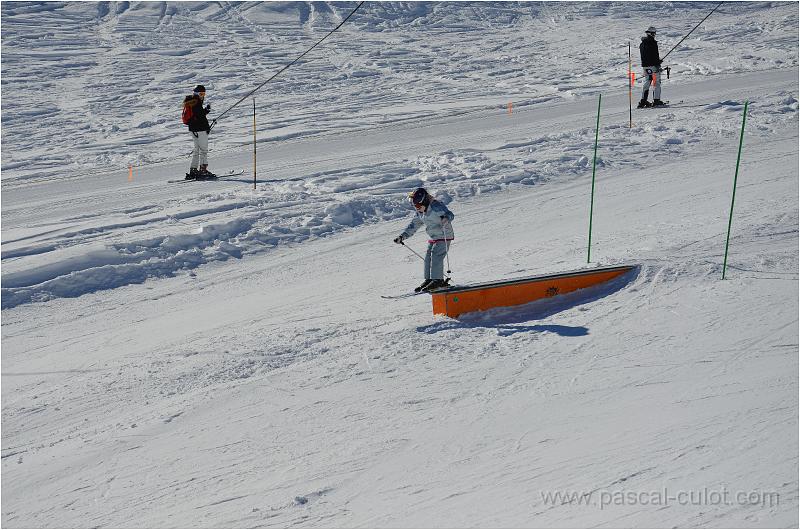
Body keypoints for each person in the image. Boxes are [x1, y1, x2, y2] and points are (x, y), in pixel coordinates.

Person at [393, 187, 455, 292]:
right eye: (414, 205)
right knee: (428, 258)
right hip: (434, 236)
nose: (416, 208)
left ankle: (438, 280)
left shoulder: (435, 206)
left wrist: (445, 218)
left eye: (417, 205)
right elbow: (413, 226)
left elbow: (450, 214)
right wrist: (402, 236)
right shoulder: (420, 213)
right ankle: (429, 279)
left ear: (424, 201)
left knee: (436, 256)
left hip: (444, 235)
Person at [183, 84, 215, 179]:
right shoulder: (196, 102)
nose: (202, 95)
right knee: (203, 150)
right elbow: (200, 116)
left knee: (197, 150)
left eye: (204, 93)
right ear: (196, 93)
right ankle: (203, 170)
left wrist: (206, 110)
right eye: (201, 93)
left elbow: (197, 115)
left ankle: (193, 170)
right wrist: (206, 127)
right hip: (200, 130)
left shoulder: (191, 102)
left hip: (193, 130)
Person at [638, 26, 666, 108]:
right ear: (651, 33)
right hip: (653, 66)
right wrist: (658, 62)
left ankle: (643, 101)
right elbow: (654, 55)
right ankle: (656, 100)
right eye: (654, 33)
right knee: (656, 82)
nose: (654, 35)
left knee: (647, 82)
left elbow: (646, 56)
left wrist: (656, 61)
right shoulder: (653, 43)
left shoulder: (642, 44)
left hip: (645, 66)